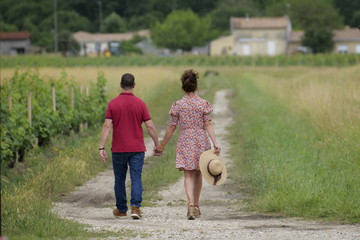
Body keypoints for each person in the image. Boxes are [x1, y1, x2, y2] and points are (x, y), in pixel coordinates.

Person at [155, 69, 221, 220]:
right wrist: (215, 143)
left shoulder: (178, 105)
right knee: (199, 173)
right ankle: (196, 205)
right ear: (196, 87)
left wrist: (162, 145)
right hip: (201, 140)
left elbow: (172, 126)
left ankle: (190, 203)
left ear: (183, 88)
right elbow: (208, 124)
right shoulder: (203, 103)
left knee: (188, 174)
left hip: (185, 139)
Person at [99, 73, 161, 219]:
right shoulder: (140, 104)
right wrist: (157, 144)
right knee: (136, 178)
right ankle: (135, 208)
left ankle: (121, 208)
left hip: (119, 149)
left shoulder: (112, 104)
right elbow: (150, 126)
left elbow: (107, 126)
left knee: (119, 179)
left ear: (120, 85)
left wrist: (102, 147)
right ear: (134, 86)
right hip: (137, 149)